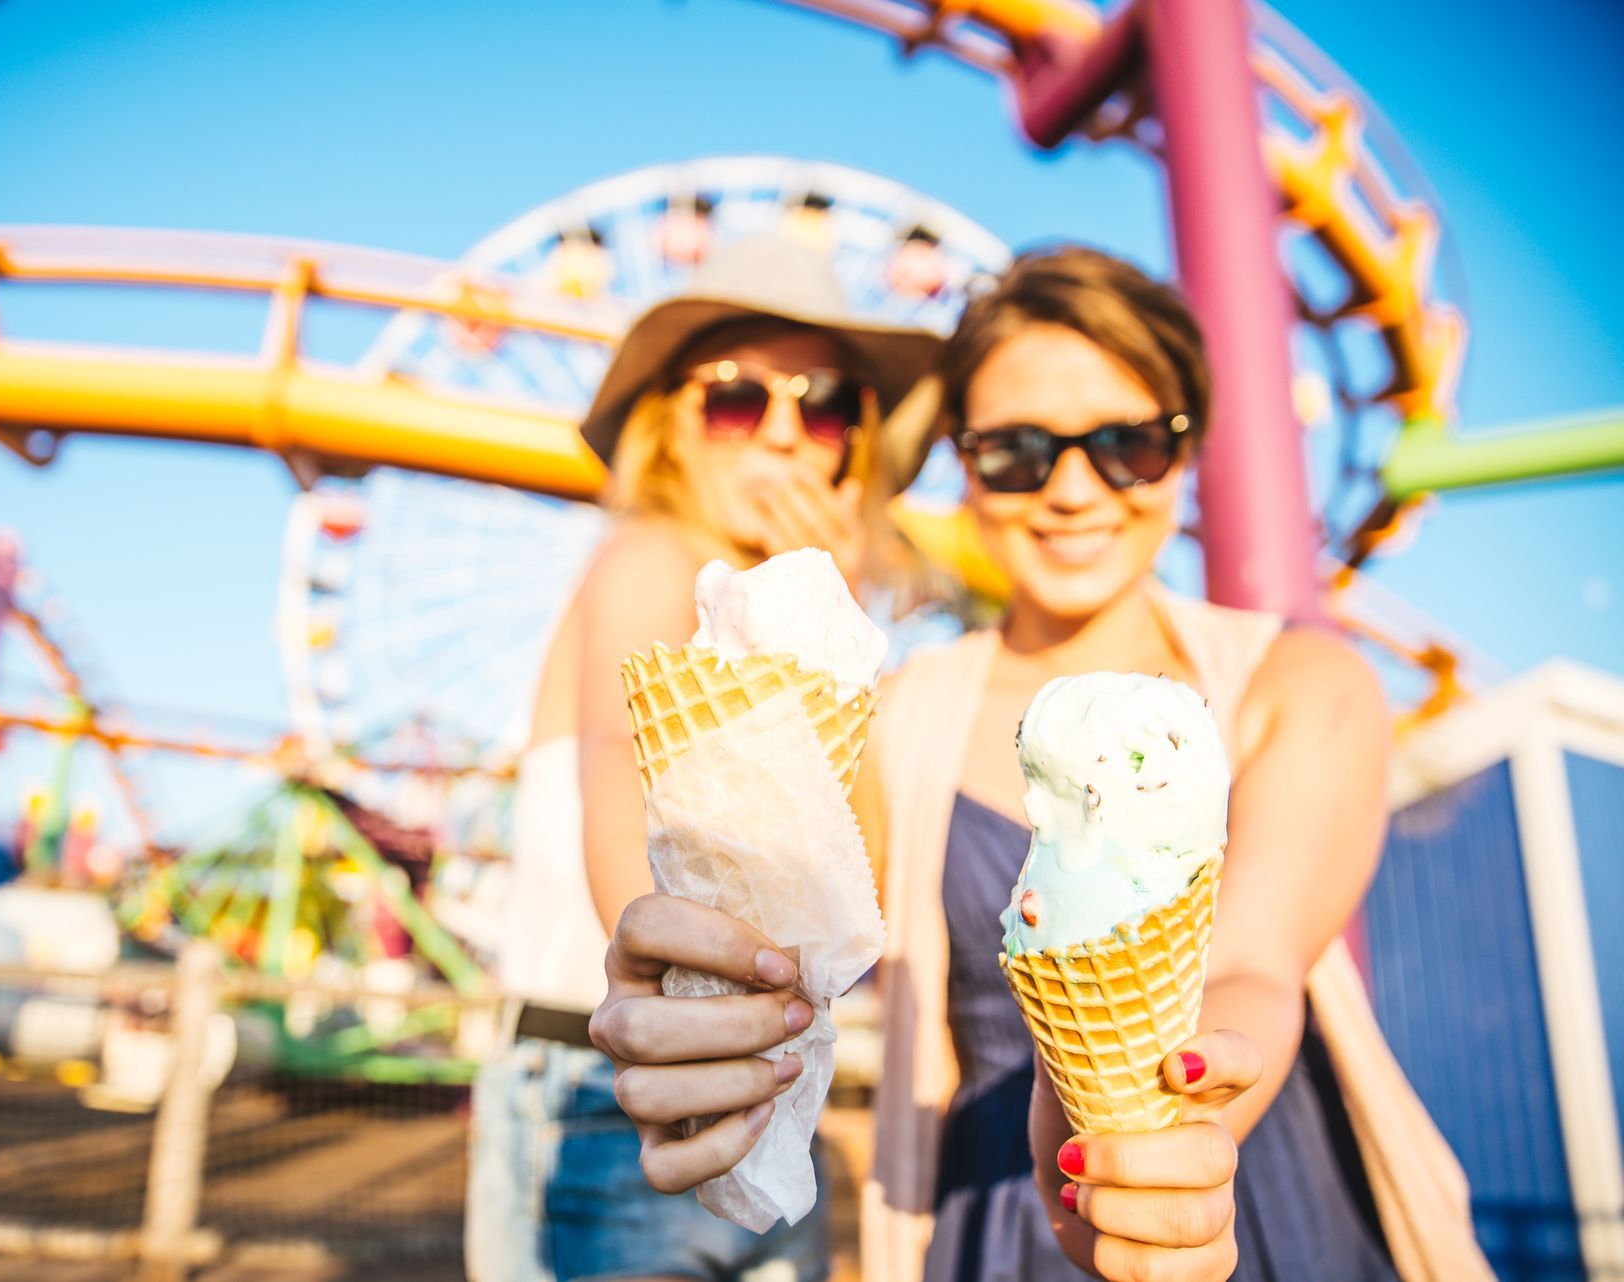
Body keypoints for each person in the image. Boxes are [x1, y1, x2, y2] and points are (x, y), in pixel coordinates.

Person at [591, 247, 1419, 1282]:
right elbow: (795, 949)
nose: (1074, 490)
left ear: (1188, 448)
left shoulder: (1298, 684)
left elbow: (1252, 967)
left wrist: (1161, 1145)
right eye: (1019, 450)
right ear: (962, 458)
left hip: (1244, 1196)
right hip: (986, 1222)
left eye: (1127, 444)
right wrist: (690, 996)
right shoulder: (894, 718)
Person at [467, 236, 944, 1282]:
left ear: (853, 443)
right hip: (611, 1079)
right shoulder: (650, 560)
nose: (783, 432)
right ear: (673, 423)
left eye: (824, 403)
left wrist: (838, 625)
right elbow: (622, 800)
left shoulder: (813, 643)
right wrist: (679, 1009)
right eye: (737, 397)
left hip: (765, 1073)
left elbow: (854, 883)